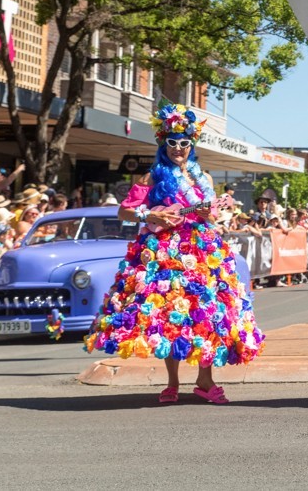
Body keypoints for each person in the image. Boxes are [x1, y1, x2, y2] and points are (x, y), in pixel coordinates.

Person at [84, 101, 264, 404]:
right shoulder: (152, 177)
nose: (178, 148)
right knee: (170, 315)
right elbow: (124, 211)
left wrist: (211, 212)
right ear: (162, 143)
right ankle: (172, 384)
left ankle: (206, 382)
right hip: (164, 251)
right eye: (172, 142)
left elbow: (210, 215)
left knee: (206, 314)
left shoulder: (203, 178)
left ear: (191, 144)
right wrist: (150, 217)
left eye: (184, 142)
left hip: (202, 249)